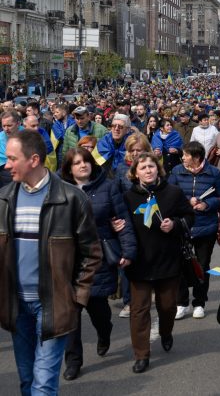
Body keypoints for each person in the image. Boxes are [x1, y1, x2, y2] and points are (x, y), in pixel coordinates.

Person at [0, 130, 102, 395]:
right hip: (16, 305)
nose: (6, 164)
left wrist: (76, 298)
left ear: (33, 160)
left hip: (54, 304)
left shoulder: (71, 198)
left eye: (12, 158)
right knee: (26, 380)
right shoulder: (3, 199)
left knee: (43, 383)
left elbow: (92, 253)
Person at [60, 147, 136, 381]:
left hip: (98, 258)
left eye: (86, 161)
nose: (82, 166)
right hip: (67, 260)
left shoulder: (109, 187)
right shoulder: (59, 190)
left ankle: (105, 333)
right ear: (69, 168)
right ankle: (73, 361)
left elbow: (123, 220)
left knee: (98, 311)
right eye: (77, 163)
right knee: (70, 315)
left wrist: (128, 250)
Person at [124, 153, 195, 373]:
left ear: (158, 169)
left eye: (151, 166)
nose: (148, 170)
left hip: (168, 260)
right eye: (143, 167)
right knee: (139, 310)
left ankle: (166, 331)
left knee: (167, 307)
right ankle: (141, 355)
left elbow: (189, 216)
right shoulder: (127, 197)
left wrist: (174, 224)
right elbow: (120, 223)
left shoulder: (172, 193)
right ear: (135, 172)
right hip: (140, 262)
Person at [169, 141, 220, 320]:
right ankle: (182, 303)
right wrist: (187, 201)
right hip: (182, 226)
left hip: (206, 226)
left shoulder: (214, 173)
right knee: (179, 265)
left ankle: (199, 302)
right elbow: (169, 194)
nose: (183, 158)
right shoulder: (177, 171)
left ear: (196, 157)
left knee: (202, 266)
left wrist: (207, 204)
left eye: (186, 155)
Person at [114, 133, 153, 319]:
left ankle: (147, 294)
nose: (136, 154)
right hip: (128, 221)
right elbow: (116, 195)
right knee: (127, 262)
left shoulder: (152, 168)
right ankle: (129, 301)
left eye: (140, 150)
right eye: (133, 150)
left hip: (149, 220)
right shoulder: (121, 169)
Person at [0, 110, 21, 187]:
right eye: (3, 126)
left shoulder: (27, 135)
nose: (6, 129)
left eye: (9, 125)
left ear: (18, 124)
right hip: (5, 173)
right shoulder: (0, 137)